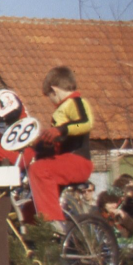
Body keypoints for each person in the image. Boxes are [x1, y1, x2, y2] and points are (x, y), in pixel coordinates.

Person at [27, 66, 94, 231]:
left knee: (39, 170)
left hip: (77, 160)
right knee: (31, 204)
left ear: (54, 90)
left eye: (49, 96)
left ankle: (53, 222)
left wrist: (61, 129)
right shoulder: (62, 108)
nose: (50, 101)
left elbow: (86, 123)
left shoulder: (75, 102)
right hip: (64, 161)